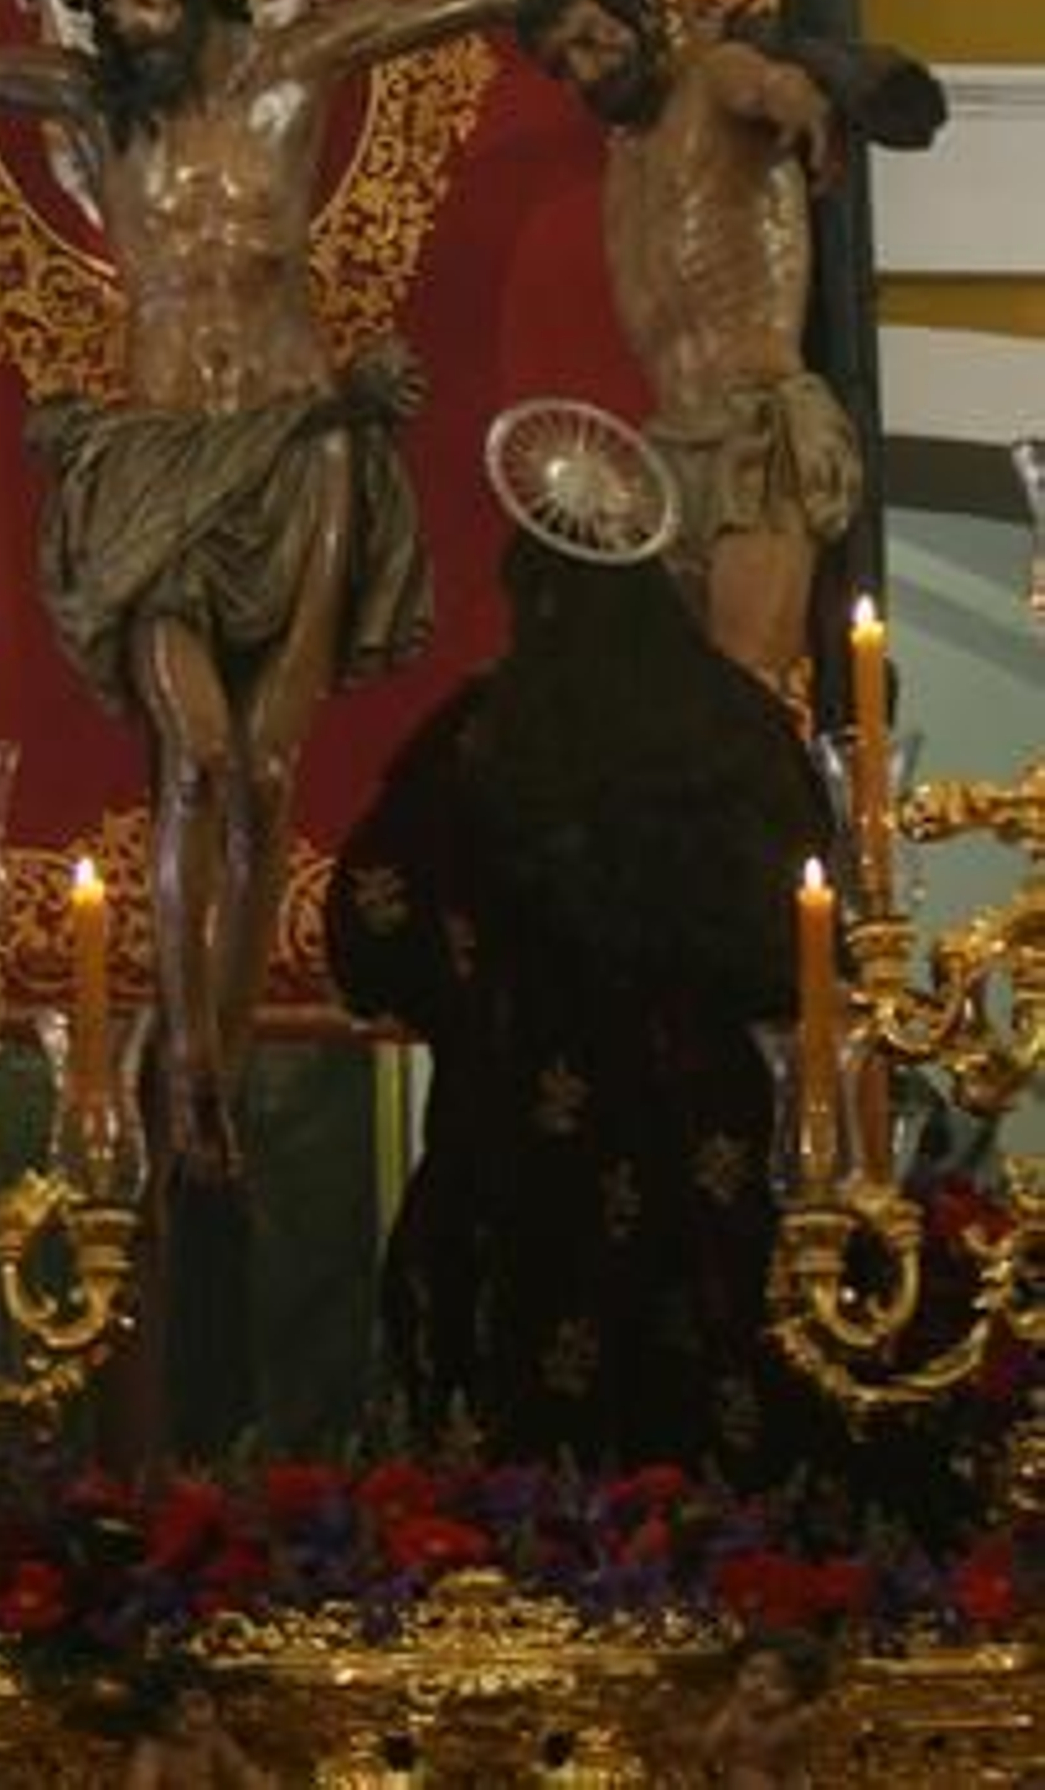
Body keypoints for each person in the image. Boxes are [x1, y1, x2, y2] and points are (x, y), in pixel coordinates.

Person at [0, 0, 685, 1177]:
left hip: (304, 443)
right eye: (105, 3)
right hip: (158, 458)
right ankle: (185, 1060)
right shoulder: (95, 103)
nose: (125, 20)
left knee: (266, 776)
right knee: (195, 760)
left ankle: (223, 1055)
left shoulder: (297, 68)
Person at [325, 528, 838, 1473]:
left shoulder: (476, 733)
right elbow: (807, 945)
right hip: (707, 1141)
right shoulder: (742, 725)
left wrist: (479, 995)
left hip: (516, 1138)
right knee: (722, 1434)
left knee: (509, 1446)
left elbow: (371, 928)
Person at [511, 0, 867, 693]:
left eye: (591, 38)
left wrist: (802, 101)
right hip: (669, 448)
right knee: (664, 697)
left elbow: (770, 87)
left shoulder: (713, 76)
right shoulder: (624, 149)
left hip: (755, 429)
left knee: (745, 684)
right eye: (561, 65)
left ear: (641, 12)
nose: (584, 72)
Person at [695, 1629, 829, 1787]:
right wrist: (729, 1712)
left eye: (778, 1683)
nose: (759, 1687)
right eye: (752, 1672)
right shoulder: (736, 1712)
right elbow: (708, 1748)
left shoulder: (790, 1723)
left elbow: (795, 1769)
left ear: (798, 1695)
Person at [123, 1663, 275, 1788]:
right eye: (176, 1712)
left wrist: (257, 1781)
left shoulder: (213, 1737)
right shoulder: (151, 1749)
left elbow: (241, 1771)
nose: (191, 1717)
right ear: (157, 1714)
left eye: (199, 1704)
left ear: (214, 1703)